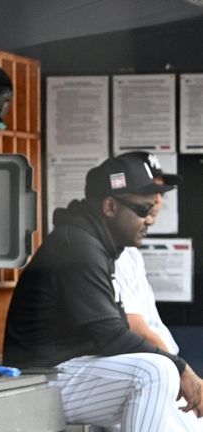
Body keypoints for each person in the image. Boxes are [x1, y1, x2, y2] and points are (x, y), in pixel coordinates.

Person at [3, 154, 203, 431]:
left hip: (67, 371)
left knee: (160, 380)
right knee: (155, 372)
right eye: (143, 209)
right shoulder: (77, 246)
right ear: (110, 206)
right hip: (40, 380)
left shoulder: (94, 243)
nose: (149, 220)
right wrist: (180, 367)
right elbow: (110, 336)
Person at [113, 151, 202, 430]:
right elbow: (133, 326)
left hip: (164, 370)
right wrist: (180, 369)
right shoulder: (112, 250)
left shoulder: (132, 249)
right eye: (150, 191)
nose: (157, 200)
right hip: (151, 374)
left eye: (161, 191)